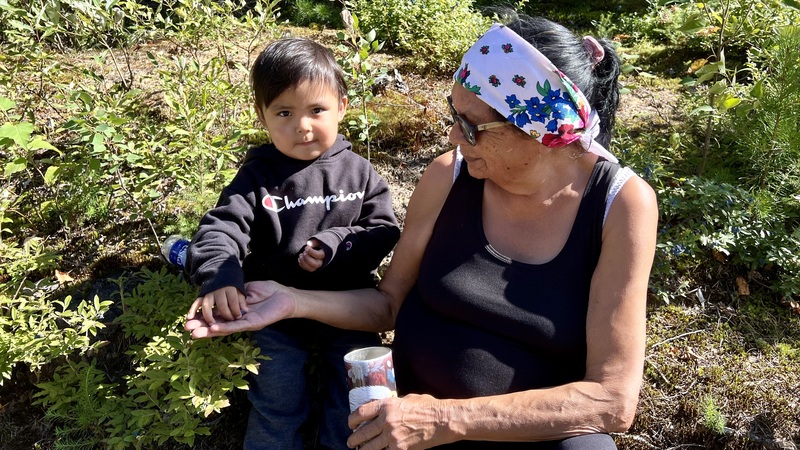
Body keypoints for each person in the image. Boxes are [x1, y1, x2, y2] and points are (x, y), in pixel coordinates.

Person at [186, 14, 658, 450]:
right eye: (454, 115)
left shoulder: (620, 204)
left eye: (473, 127)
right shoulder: (450, 175)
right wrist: (293, 301)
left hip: (521, 431)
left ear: (542, 130)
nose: (454, 137)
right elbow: (388, 304)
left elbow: (612, 401)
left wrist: (445, 419)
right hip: (406, 425)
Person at [184, 37, 401, 450]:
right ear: (261, 116)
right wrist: (220, 276)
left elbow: (383, 229)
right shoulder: (257, 177)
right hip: (274, 314)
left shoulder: (359, 172)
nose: (302, 126)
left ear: (342, 105)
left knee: (361, 397)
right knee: (278, 396)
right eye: (284, 112)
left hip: (349, 309)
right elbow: (220, 229)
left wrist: (337, 242)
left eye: (316, 110)